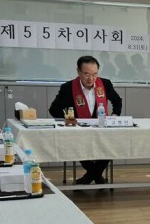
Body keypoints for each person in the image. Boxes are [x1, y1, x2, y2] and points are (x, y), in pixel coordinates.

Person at [48, 55, 124, 184]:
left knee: (111, 143)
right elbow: (54, 110)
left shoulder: (105, 84)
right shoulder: (68, 88)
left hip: (101, 130)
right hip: (78, 133)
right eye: (86, 74)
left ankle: (89, 176)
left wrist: (115, 115)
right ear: (78, 72)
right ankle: (96, 175)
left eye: (95, 74)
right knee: (75, 144)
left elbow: (117, 101)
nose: (91, 79)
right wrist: (69, 118)